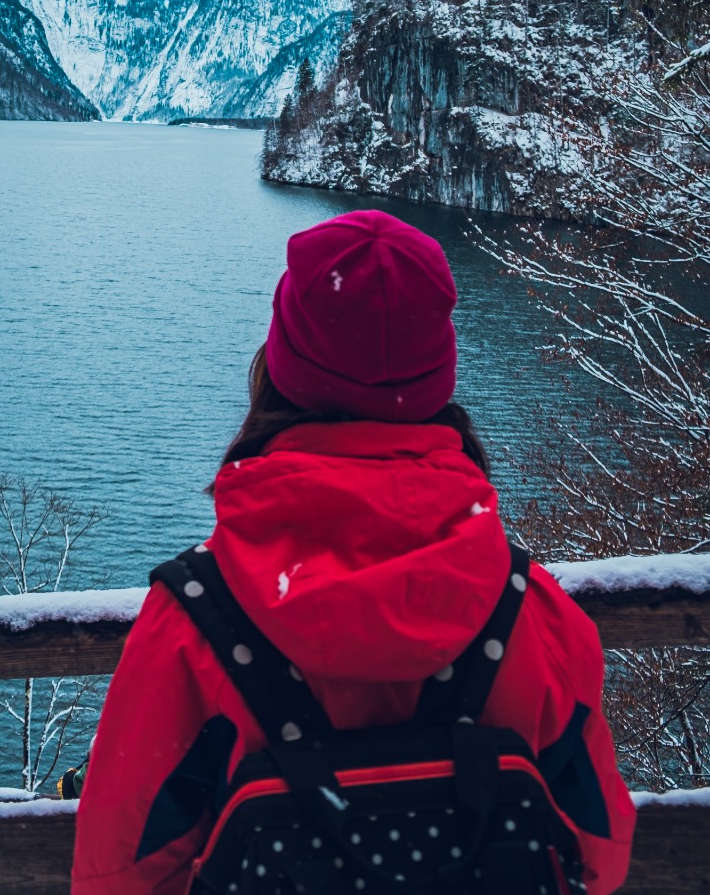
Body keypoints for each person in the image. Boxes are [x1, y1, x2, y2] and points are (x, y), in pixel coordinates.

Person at [71, 210, 635, 895]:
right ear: (438, 381)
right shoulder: (535, 617)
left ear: (278, 371)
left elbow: (116, 876)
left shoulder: (192, 624)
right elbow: (598, 858)